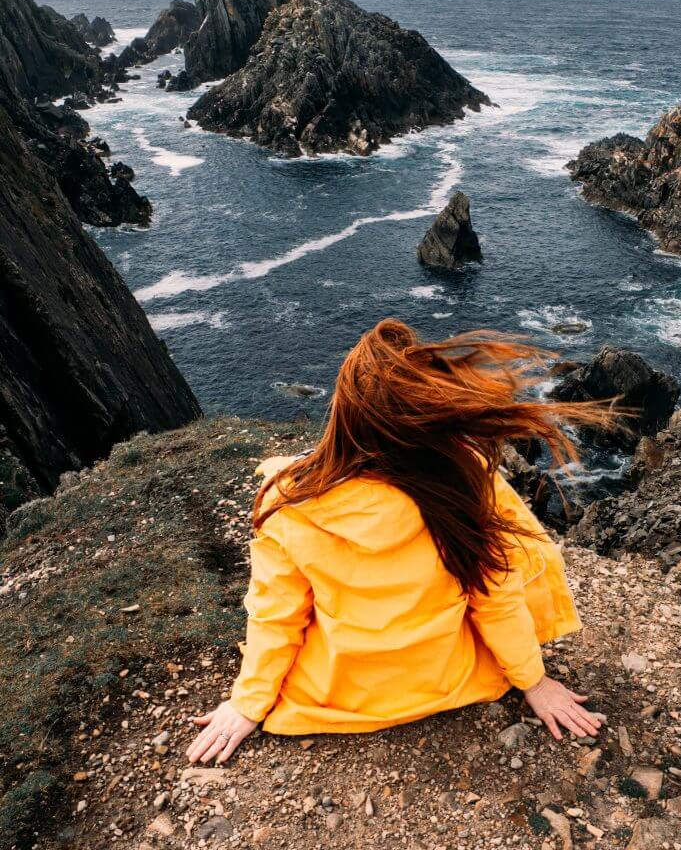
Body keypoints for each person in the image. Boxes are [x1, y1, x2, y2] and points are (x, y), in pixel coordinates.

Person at [187, 319, 611, 765]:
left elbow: (277, 618)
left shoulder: (286, 504)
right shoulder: (461, 485)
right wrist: (535, 684)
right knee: (511, 522)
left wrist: (247, 705)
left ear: (346, 421)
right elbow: (495, 600)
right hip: (449, 677)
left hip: (344, 694)